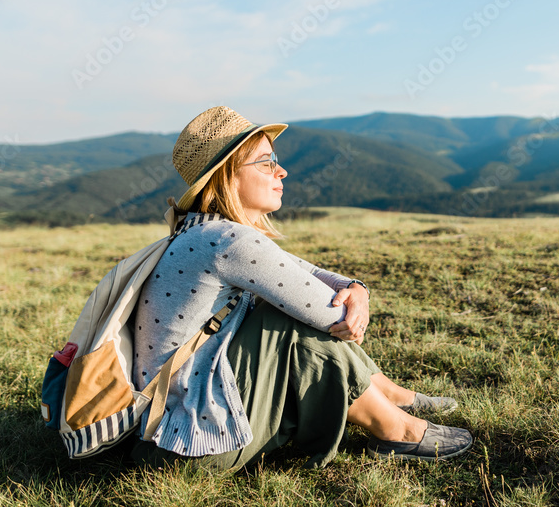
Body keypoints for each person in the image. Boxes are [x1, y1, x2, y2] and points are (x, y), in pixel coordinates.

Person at [130, 106, 473, 470]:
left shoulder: (203, 229)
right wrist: (351, 305)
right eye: (265, 163)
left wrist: (357, 288)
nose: (282, 171)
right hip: (189, 444)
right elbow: (326, 313)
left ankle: (392, 397)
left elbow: (301, 271)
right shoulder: (227, 240)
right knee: (290, 321)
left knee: (286, 308)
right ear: (227, 176)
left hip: (167, 428)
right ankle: (398, 429)